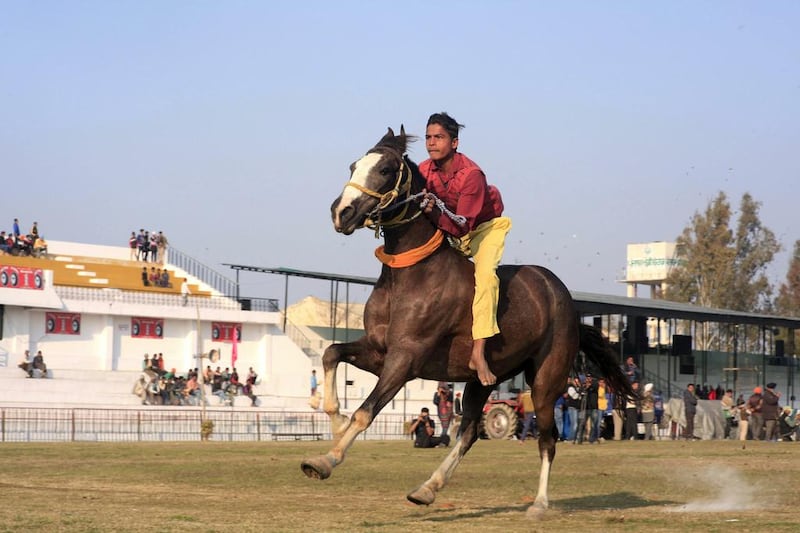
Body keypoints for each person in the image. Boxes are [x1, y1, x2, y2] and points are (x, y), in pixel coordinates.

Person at [418, 112, 511, 386]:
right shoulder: (423, 170)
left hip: (482, 228)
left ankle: (479, 353)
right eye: (428, 137)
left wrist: (433, 215)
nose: (432, 143)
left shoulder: (472, 175)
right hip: (449, 226)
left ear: (455, 142)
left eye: (439, 137)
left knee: (485, 278)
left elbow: (462, 228)